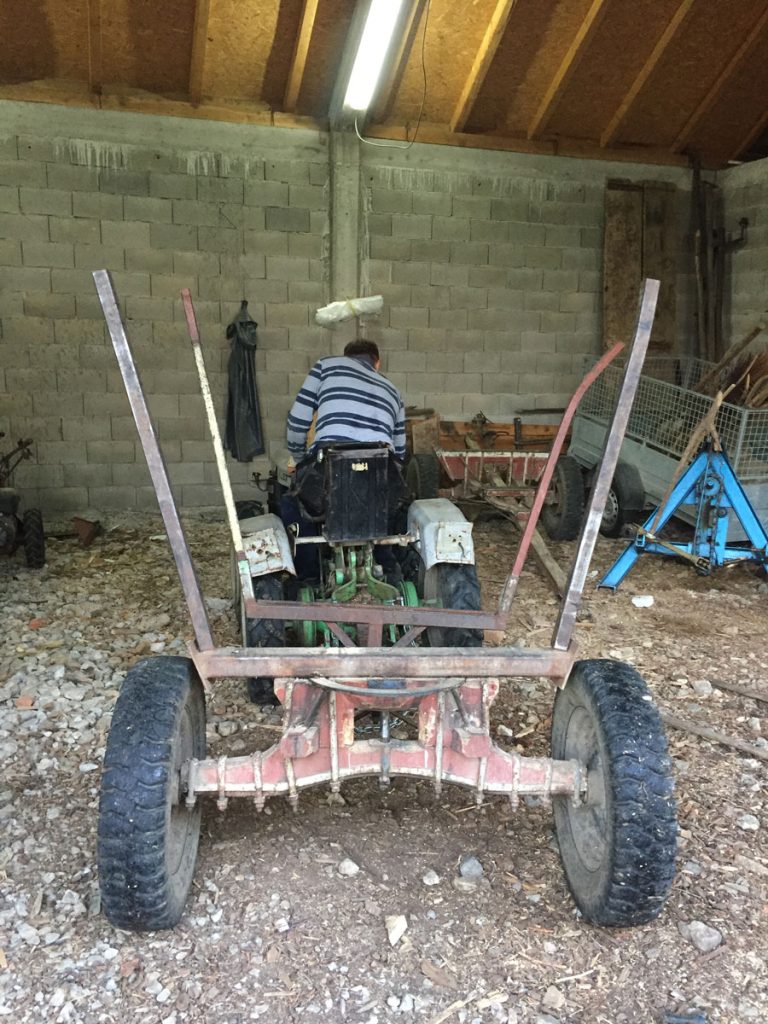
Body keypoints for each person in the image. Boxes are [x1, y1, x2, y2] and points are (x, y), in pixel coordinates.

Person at [283, 339, 407, 580]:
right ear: (377, 363)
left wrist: (300, 461)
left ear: (346, 357)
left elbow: (297, 423)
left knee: (294, 504)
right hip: (378, 468)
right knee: (391, 505)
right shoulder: (394, 391)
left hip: (330, 465)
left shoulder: (326, 366)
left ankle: (308, 575)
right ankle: (386, 564)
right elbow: (400, 455)